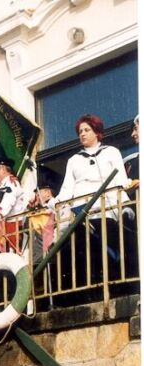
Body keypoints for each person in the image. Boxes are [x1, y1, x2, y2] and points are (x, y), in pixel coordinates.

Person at [49, 114, 131, 295]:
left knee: (108, 250)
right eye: (80, 131)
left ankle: (113, 289)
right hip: (81, 212)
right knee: (84, 253)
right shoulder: (74, 160)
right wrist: (54, 202)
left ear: (97, 131)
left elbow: (120, 181)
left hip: (105, 209)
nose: (82, 134)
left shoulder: (111, 152)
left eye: (87, 130)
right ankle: (88, 292)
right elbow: (66, 189)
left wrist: (123, 206)